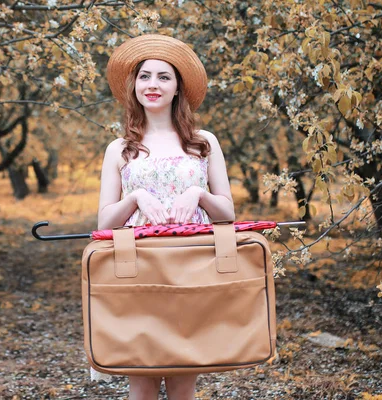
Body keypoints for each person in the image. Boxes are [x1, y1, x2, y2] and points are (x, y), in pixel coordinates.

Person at [95, 34, 236, 399]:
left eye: (163, 77)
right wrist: (136, 198)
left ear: (177, 88)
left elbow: (228, 214)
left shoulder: (203, 142)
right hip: (137, 269)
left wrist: (199, 194)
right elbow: (104, 223)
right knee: (141, 372)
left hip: (193, 267)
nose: (152, 85)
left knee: (184, 371)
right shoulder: (119, 148)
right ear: (134, 86)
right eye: (144, 76)